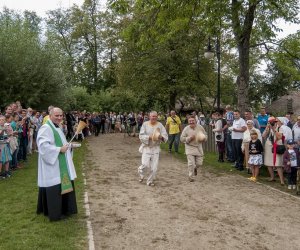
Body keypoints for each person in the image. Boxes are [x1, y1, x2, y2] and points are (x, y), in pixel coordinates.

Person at [36, 107, 77, 221]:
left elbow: (62, 143)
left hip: (60, 163)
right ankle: (56, 213)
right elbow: (43, 146)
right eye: (56, 116)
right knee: (55, 186)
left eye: (61, 115)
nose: (59, 118)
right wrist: (59, 149)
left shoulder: (57, 127)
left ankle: (65, 209)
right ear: (50, 115)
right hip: (53, 165)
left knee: (62, 182)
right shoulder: (46, 128)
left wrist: (69, 146)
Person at [138, 111, 168, 186]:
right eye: (152, 116)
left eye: (155, 116)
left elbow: (165, 137)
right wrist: (149, 137)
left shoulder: (160, 125)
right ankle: (141, 173)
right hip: (146, 147)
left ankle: (149, 181)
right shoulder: (145, 124)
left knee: (154, 168)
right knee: (145, 165)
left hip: (155, 148)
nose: (154, 117)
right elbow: (141, 136)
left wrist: (161, 137)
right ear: (149, 116)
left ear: (157, 117)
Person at [180, 116, 207, 182]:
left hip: (198, 147)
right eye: (190, 121)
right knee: (191, 163)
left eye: (193, 120)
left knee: (199, 163)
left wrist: (204, 138)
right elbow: (182, 138)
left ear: (195, 121)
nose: (191, 122)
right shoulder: (186, 129)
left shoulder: (200, 127)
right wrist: (189, 138)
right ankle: (191, 177)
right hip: (189, 147)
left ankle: (195, 168)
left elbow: (205, 135)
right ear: (188, 122)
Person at [262, 117, 285, 185]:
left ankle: (282, 180)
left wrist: (274, 129)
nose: (273, 123)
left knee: (278, 164)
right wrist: (267, 129)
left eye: (274, 122)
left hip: (277, 146)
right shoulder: (268, 128)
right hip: (268, 146)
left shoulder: (280, 128)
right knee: (269, 162)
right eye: (271, 122)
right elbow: (263, 136)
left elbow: (279, 137)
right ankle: (272, 177)